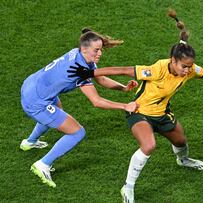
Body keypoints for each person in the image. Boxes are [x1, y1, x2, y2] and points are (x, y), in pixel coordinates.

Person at [71, 10, 203, 203]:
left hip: (162, 113)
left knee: (181, 141)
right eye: (184, 66)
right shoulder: (157, 69)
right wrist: (90, 73)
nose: (187, 71)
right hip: (139, 112)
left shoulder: (190, 69)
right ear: (173, 61)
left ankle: (183, 160)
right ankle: (128, 187)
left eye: (189, 66)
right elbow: (124, 70)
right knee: (149, 145)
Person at [20, 28, 139, 188]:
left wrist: (123, 88)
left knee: (56, 109)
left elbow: (100, 78)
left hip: (33, 85)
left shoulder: (78, 54)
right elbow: (96, 101)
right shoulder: (78, 70)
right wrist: (125, 106)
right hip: (36, 101)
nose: (100, 54)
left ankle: (30, 142)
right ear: (84, 48)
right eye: (96, 50)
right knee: (77, 132)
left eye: (101, 50)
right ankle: (42, 165)